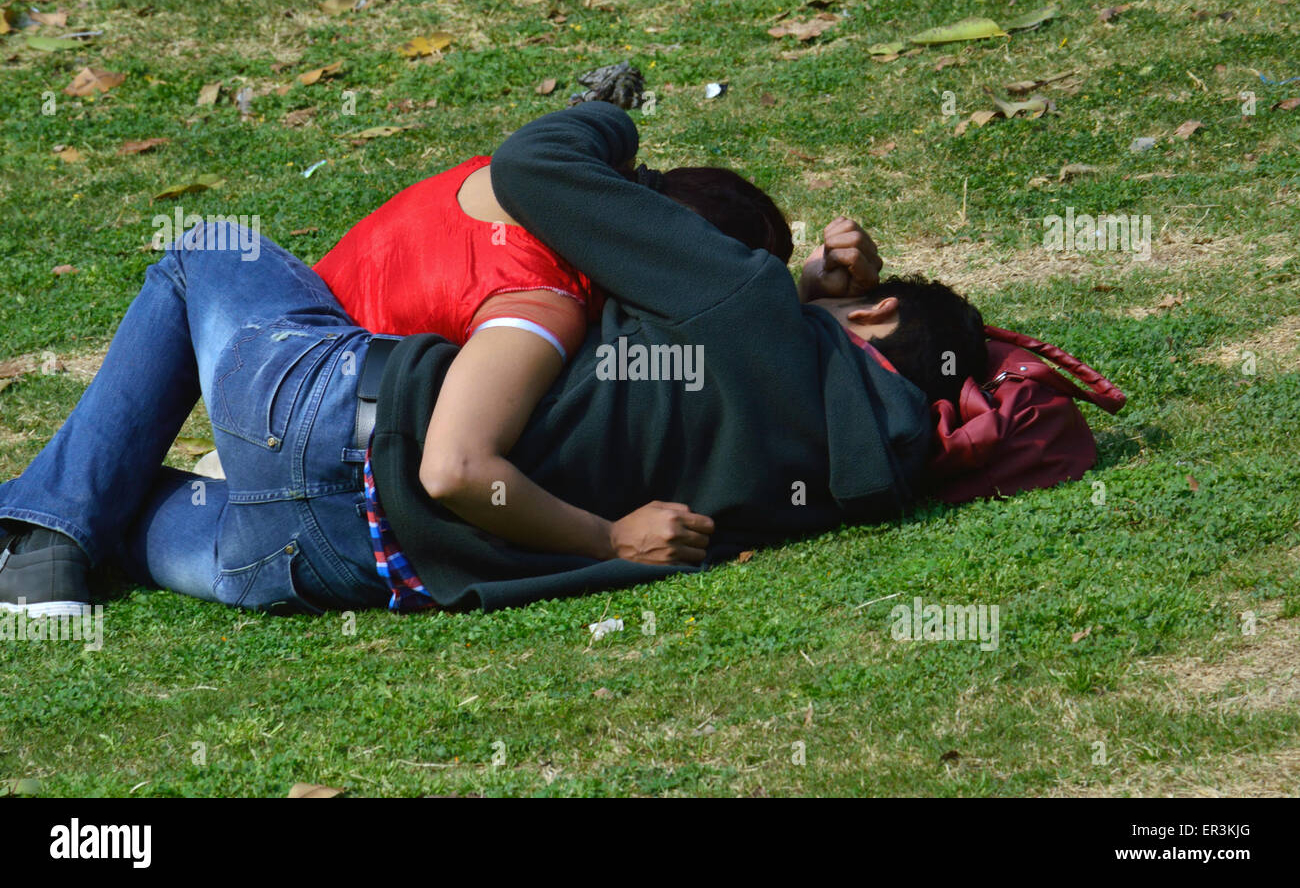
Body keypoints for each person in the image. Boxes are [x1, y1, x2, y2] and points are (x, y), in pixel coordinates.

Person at [0, 102, 986, 618]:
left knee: (207, 250)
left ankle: (47, 536)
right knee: (105, 507)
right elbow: (764, 384)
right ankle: (49, 545)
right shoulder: (836, 489)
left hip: (339, 424)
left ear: (873, 316)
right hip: (336, 566)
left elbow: (535, 168)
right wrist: (810, 294)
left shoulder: (719, 304)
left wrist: (615, 119)